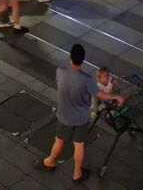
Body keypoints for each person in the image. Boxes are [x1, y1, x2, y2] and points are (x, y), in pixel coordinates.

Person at [38, 44, 124, 183]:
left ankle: (49, 161)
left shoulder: (60, 70)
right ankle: (77, 174)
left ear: (70, 56)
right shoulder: (86, 79)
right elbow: (100, 95)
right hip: (81, 118)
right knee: (78, 145)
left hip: (64, 115)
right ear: (83, 59)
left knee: (59, 140)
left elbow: (59, 84)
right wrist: (116, 96)